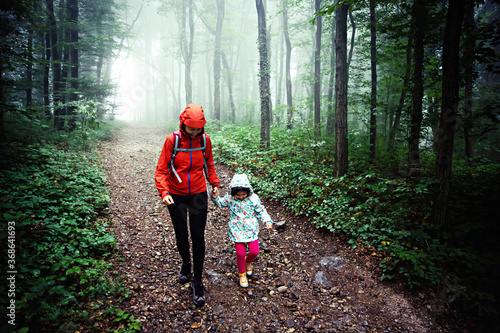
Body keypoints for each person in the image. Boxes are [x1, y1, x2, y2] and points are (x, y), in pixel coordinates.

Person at [155, 103, 220, 306]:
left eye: (198, 128)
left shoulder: (204, 140)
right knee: (182, 235)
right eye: (191, 128)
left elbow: (209, 164)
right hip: (176, 195)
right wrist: (164, 192)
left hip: (199, 193)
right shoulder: (172, 140)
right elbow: (161, 170)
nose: (194, 132)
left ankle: (198, 280)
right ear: (183, 124)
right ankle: (185, 262)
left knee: (198, 236)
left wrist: (214, 182)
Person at [210, 173, 273, 288]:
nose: (241, 197)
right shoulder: (230, 199)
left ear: (248, 191)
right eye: (238, 195)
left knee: (254, 251)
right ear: (233, 192)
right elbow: (220, 203)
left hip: (251, 229)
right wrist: (215, 197)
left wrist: (267, 220)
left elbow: (261, 211)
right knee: (240, 253)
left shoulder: (253, 199)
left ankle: (248, 262)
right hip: (237, 229)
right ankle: (242, 273)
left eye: (243, 194)